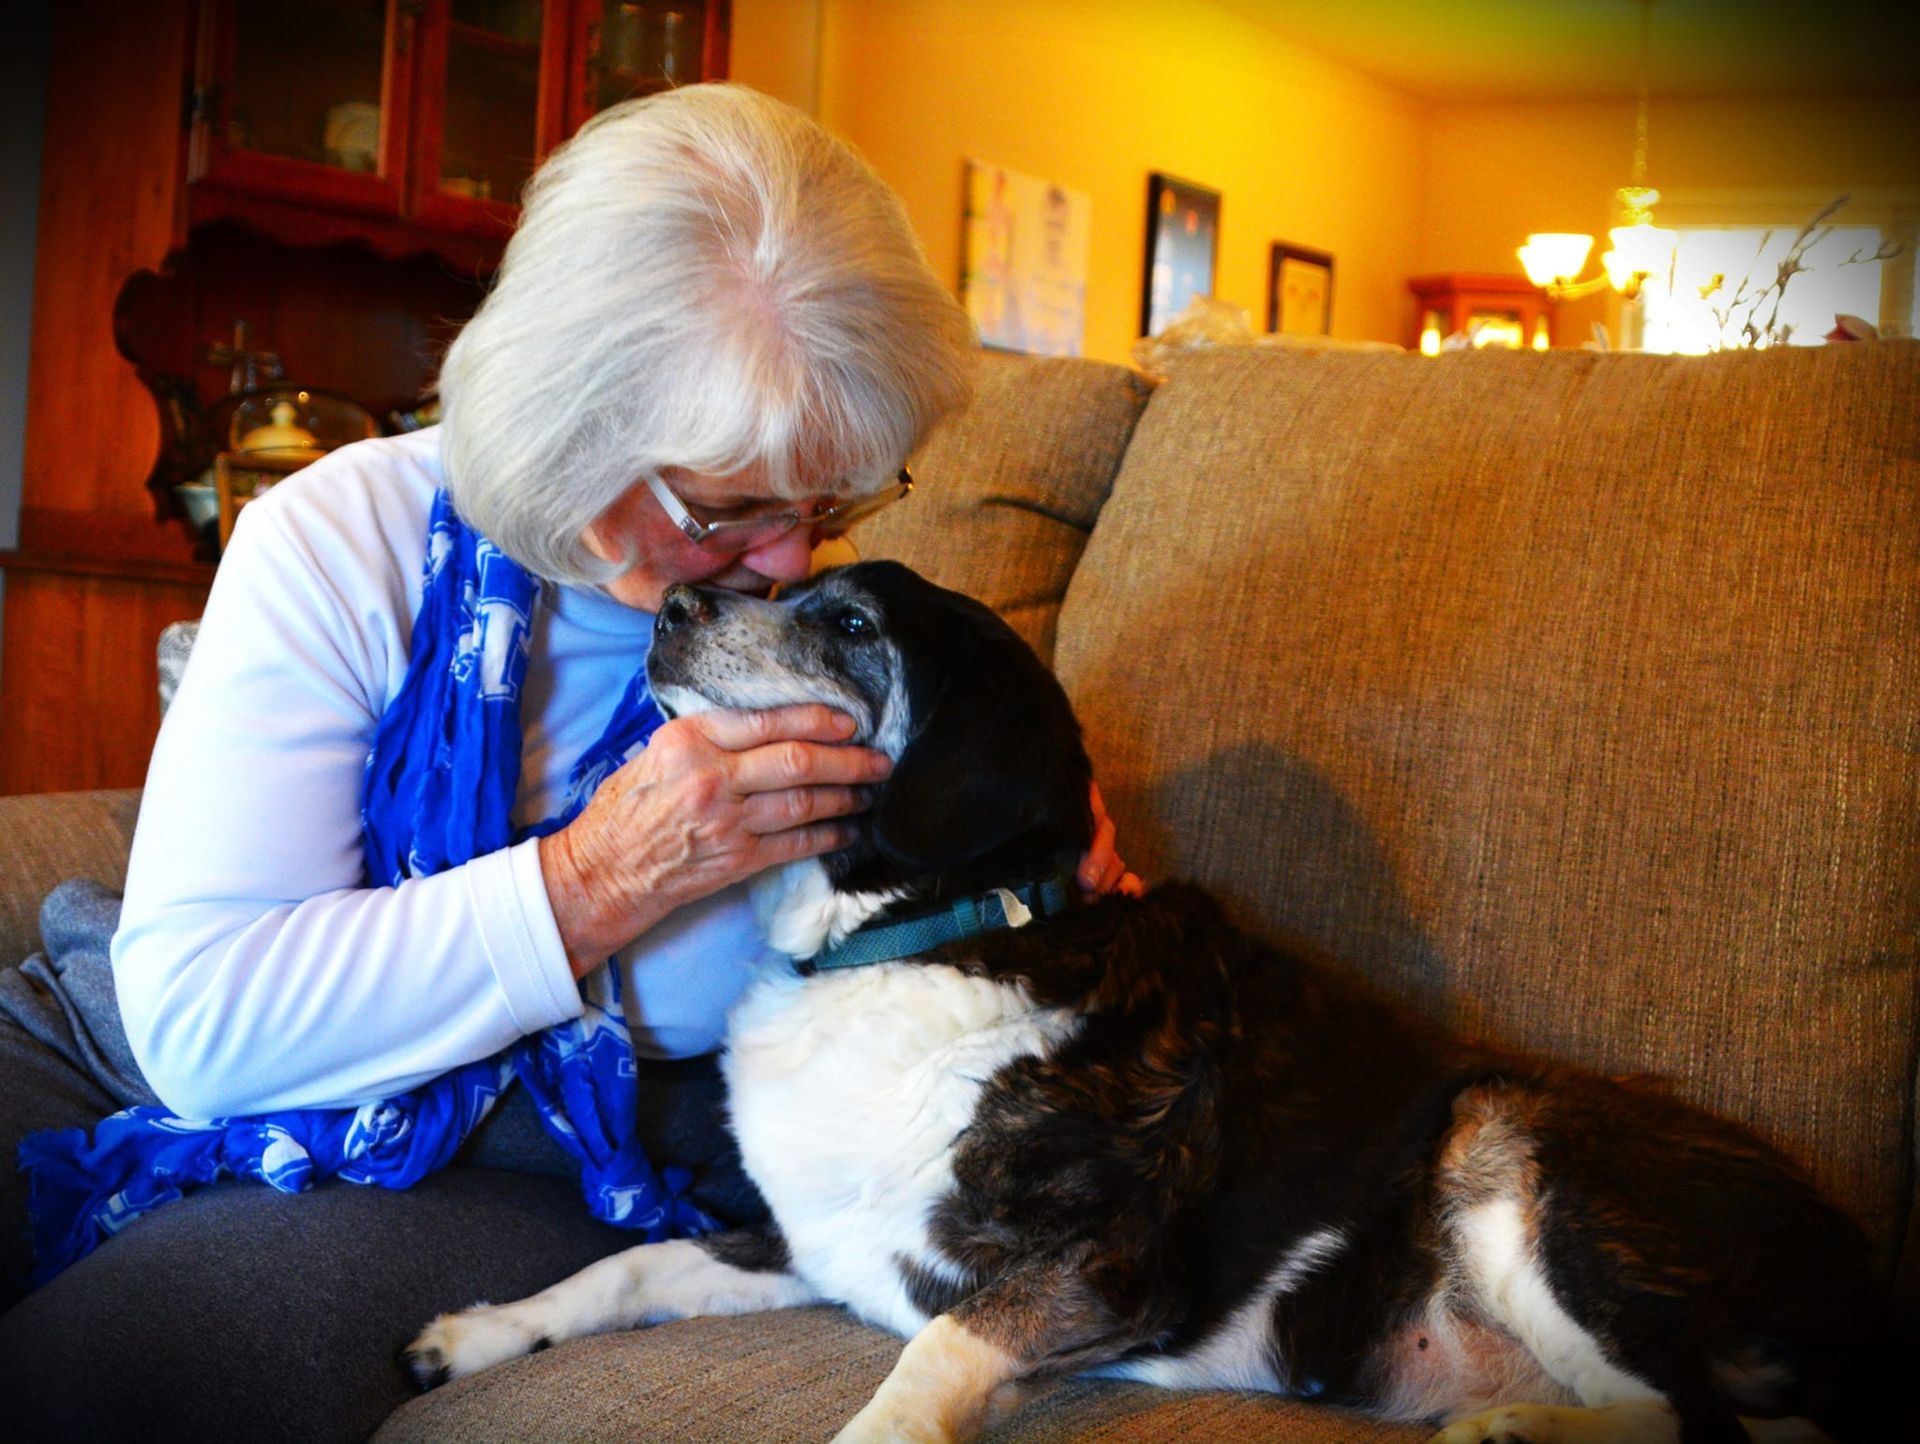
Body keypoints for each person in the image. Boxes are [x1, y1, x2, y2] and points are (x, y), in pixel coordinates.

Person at [0, 83, 1133, 1439]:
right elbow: (198, 1026)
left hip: (550, 1153)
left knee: (116, 1362)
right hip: (136, 1030)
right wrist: (599, 875)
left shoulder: (846, 670)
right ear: (568, 426)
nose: (790, 561)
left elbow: (1024, 943)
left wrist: (1024, 857)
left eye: (829, 502)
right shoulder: (339, 541)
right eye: (735, 507)